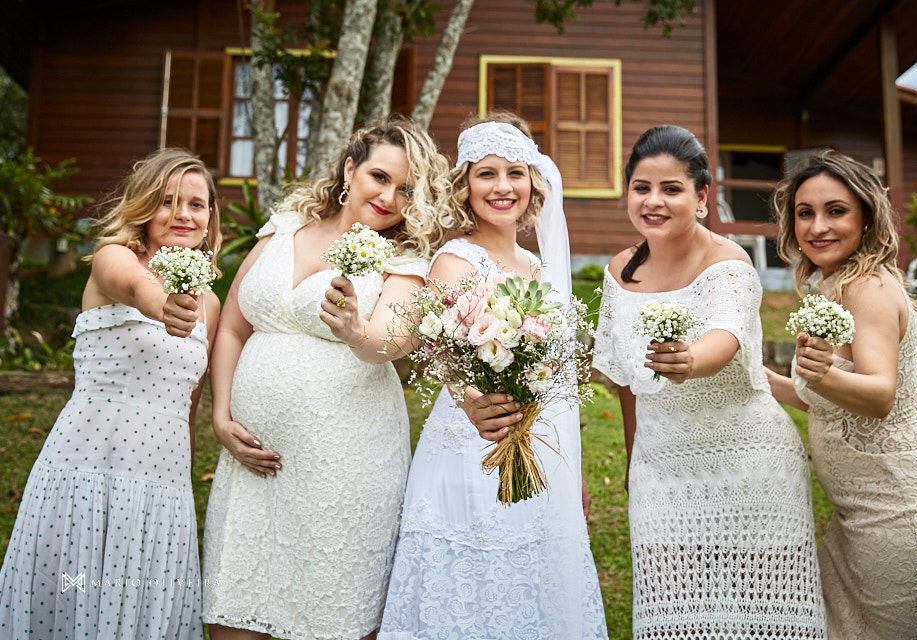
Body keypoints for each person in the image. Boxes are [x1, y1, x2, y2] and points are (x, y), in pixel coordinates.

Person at [201, 117, 453, 640]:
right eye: (379, 177)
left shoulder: (404, 259)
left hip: (345, 464)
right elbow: (233, 325)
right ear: (349, 168)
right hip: (252, 461)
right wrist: (221, 416)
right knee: (234, 607)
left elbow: (391, 341)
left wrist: (356, 330)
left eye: (407, 190)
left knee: (331, 612)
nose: (389, 197)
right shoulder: (285, 226)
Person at [378, 113, 608, 640]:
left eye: (514, 173)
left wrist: (571, 468)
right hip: (471, 447)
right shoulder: (455, 260)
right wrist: (473, 403)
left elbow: (558, 380)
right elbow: (445, 360)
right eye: (487, 174)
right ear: (465, 185)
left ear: (532, 182)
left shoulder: (539, 265)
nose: (503, 187)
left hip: (540, 448)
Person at [592, 125, 826, 639]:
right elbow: (627, 383)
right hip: (660, 469)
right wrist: (634, 462)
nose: (653, 201)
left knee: (764, 619)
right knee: (673, 617)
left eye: (671, 189)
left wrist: (689, 360)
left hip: (750, 465)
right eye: (641, 187)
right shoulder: (619, 272)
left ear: (701, 197)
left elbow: (725, 336)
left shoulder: (728, 261)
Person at [0, 148, 222, 639]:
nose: (183, 214)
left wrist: (184, 476)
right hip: (88, 467)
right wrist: (163, 304)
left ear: (210, 217)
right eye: (167, 201)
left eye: (196, 204)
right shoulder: (114, 257)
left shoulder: (210, 300)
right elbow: (137, 286)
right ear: (144, 205)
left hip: (162, 482)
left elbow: (190, 402)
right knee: (75, 598)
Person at [765, 151, 917, 638]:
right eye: (805, 213)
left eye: (836, 211)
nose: (817, 227)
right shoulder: (836, 287)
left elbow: (878, 396)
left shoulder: (865, 288)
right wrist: (759, 379)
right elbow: (834, 403)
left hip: (903, 514)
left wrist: (821, 376)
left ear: (867, 218)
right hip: (862, 518)